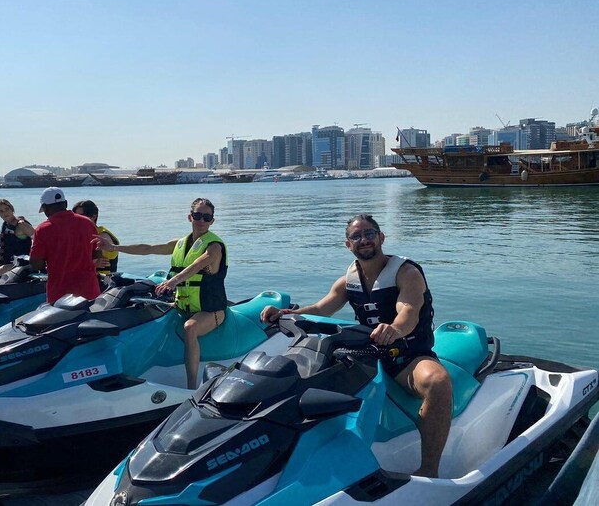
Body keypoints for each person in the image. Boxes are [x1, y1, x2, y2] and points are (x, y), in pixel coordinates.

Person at [261, 214, 452, 478]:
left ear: (381, 237)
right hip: (366, 355)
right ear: (348, 244)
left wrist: (394, 329)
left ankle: (429, 470)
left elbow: (408, 312)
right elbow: (320, 308)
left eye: (370, 234)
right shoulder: (348, 281)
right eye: (356, 236)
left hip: (407, 356)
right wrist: (284, 314)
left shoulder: (407, 273)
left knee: (438, 382)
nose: (364, 240)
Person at [95, 198, 227, 389]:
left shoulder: (214, 246)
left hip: (211, 310)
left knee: (190, 328)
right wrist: (114, 248)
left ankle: (191, 387)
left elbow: (198, 264)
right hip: (182, 304)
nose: (201, 220)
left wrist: (173, 281)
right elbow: (147, 249)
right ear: (190, 217)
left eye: (206, 217)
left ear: (212, 221)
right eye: (197, 215)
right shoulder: (181, 244)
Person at [29, 187, 101, 304]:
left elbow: (36, 264)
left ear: (45, 208)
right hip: (89, 291)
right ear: (66, 203)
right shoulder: (88, 223)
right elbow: (97, 253)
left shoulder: (42, 229)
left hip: (60, 295)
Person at [72, 200, 119, 275]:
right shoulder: (79, 234)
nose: (77, 220)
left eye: (81, 216)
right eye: (75, 216)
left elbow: (105, 258)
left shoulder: (102, 235)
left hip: (102, 280)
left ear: (94, 216)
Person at [0, 198, 34, 266]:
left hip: (21, 266)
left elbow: (39, 239)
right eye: (1, 211)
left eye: (7, 209)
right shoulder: (6, 225)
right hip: (7, 265)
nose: (5, 213)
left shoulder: (21, 225)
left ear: (12, 209)